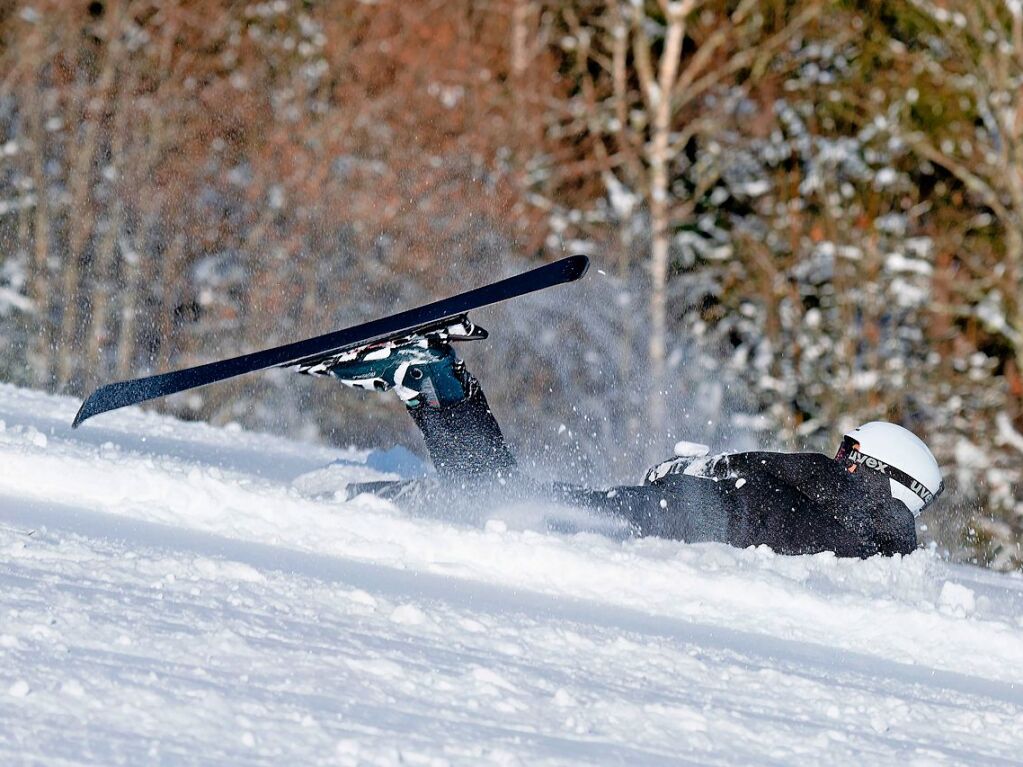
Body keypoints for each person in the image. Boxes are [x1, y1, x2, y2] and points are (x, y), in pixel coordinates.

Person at [326, 327, 944, 559]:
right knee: (530, 507)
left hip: (689, 519)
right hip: (689, 516)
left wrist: (715, 463)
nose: (838, 461)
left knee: (522, 509)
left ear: (879, 470)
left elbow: (781, 469)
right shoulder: (863, 528)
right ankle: (430, 389)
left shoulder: (867, 510)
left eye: (851, 455)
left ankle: (433, 381)